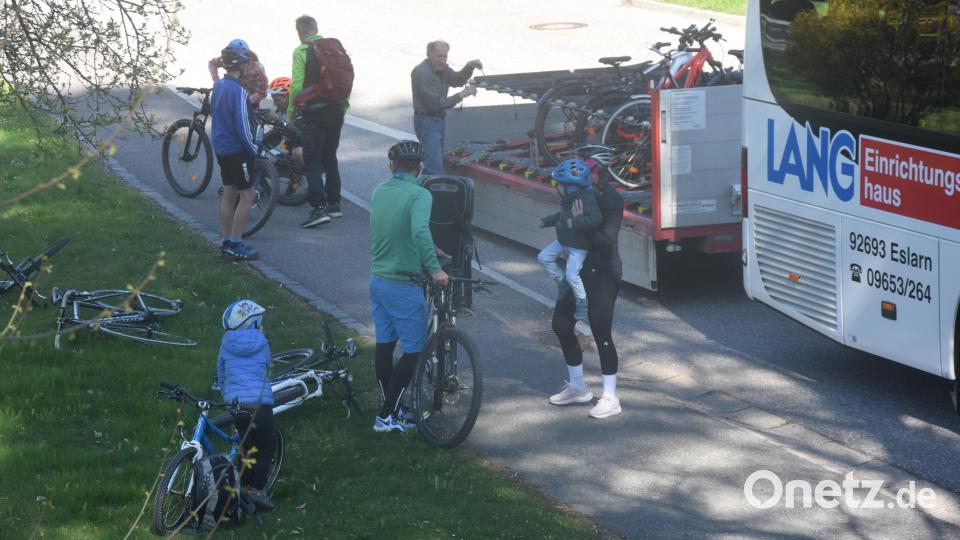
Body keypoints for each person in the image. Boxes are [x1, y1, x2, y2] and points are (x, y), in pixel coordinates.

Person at [369, 140, 448, 432]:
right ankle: (387, 416)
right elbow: (418, 230)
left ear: (392, 166)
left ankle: (391, 406)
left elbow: (394, 229)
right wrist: (435, 268)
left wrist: (430, 249)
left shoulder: (380, 191)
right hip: (403, 285)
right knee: (414, 352)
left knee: (385, 346)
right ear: (419, 168)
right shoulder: (420, 195)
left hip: (378, 280)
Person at [549, 150, 625, 419]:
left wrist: (583, 225)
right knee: (561, 324)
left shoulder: (611, 199)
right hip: (578, 269)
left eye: (584, 170)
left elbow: (606, 244)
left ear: (595, 172)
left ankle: (610, 397)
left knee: (600, 329)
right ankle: (578, 387)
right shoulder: (575, 194)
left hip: (604, 271)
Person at [289, 15, 348, 228]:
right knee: (330, 156)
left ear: (299, 32)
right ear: (316, 28)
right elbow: (343, 81)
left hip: (314, 112)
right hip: (336, 110)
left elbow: (296, 86)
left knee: (312, 160)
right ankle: (334, 204)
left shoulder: (302, 50)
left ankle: (318, 208)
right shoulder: (333, 47)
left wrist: (291, 111)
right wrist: (343, 106)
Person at [217, 299, 275, 510]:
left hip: (237, 406)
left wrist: (228, 399)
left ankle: (242, 487)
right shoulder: (263, 342)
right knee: (266, 447)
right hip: (261, 405)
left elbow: (221, 374)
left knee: (247, 447)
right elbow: (268, 369)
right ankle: (257, 489)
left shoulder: (225, 343)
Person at [210, 42, 260, 261]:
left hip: (221, 148)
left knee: (229, 193)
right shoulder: (238, 91)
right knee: (248, 196)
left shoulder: (219, 85)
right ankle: (237, 244)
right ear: (241, 65)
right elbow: (243, 126)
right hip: (237, 150)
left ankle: (226, 241)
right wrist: (253, 150)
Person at [538, 159, 602, 321]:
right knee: (544, 257)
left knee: (572, 275)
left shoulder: (586, 199)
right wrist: (547, 221)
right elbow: (562, 216)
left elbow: (595, 219)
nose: (556, 187)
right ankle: (560, 281)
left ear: (571, 187)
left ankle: (582, 301)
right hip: (565, 239)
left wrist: (575, 222)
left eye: (559, 184)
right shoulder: (570, 199)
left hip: (578, 246)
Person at [410, 40, 482, 176]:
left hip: (437, 120)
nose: (442, 60)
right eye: (439, 56)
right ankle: (427, 196)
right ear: (429, 54)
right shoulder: (422, 73)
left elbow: (457, 80)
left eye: (445, 56)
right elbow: (437, 104)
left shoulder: (442, 68)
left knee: (436, 164)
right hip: (427, 121)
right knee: (433, 168)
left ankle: (429, 192)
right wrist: (462, 95)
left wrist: (469, 66)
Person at [208, 39, 268, 107]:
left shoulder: (257, 68)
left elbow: (262, 93)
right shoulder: (228, 58)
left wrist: (244, 101)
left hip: (249, 96)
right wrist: (216, 80)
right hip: (231, 91)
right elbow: (211, 63)